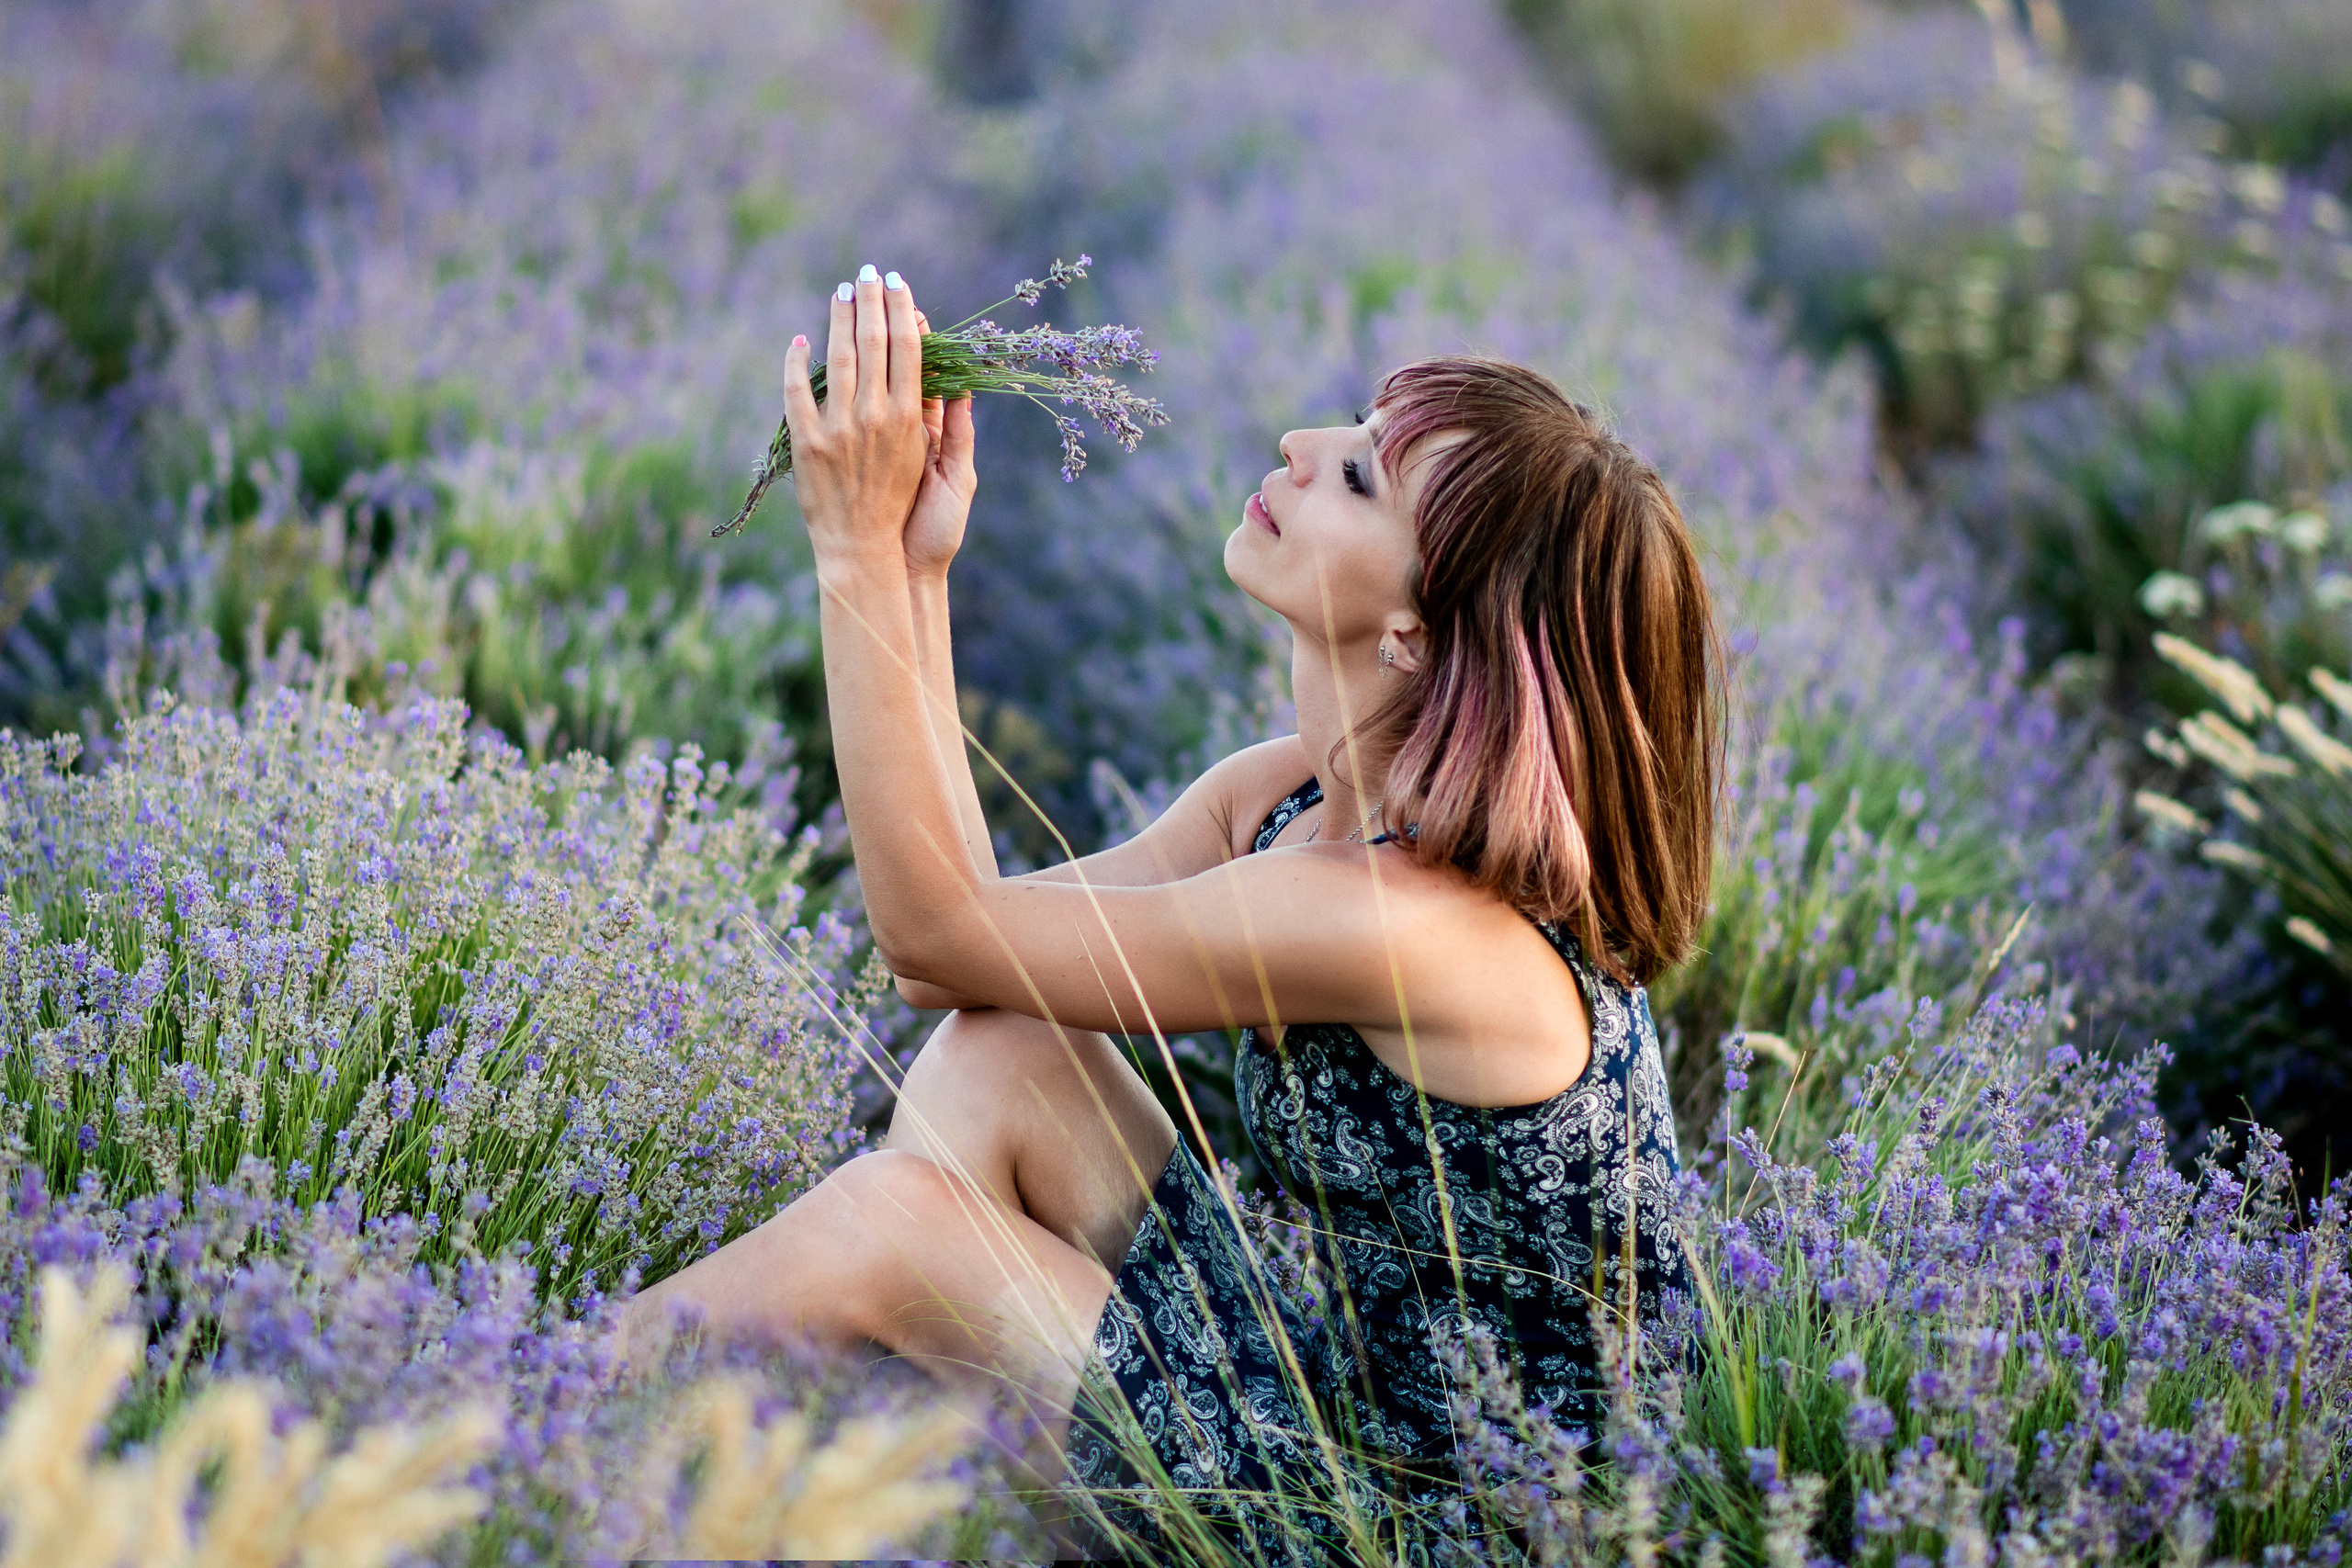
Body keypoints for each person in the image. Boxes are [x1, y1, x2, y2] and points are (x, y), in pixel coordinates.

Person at [625, 264, 1716, 1543]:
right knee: (1009, 1051)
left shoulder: (1409, 924)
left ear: (1421, 632)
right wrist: (916, 573)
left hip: (1428, 1536)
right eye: (1352, 433)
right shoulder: (1289, 798)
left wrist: (851, 549)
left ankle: (480, 1425)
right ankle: (826, 1492)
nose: (1301, 448)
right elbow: (967, 957)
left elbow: (931, 931)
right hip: (1346, 1423)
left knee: (892, 1229)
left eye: (1361, 477)